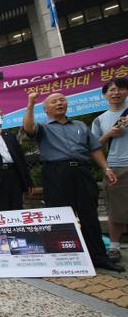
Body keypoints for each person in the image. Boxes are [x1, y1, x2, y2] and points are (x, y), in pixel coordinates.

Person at [23, 92, 125, 272]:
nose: (59, 103)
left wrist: (107, 169)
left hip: (81, 171)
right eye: (53, 102)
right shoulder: (43, 126)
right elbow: (29, 128)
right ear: (46, 110)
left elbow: (94, 148)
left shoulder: (80, 126)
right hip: (56, 172)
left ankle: (99, 257)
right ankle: (63, 258)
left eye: (62, 100)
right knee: (59, 216)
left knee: (89, 215)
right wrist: (31, 104)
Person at [92, 78, 128, 262]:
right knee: (117, 209)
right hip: (117, 167)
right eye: (112, 90)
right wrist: (109, 134)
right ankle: (114, 246)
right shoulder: (100, 119)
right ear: (105, 95)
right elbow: (94, 146)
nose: (116, 93)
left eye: (121, 89)